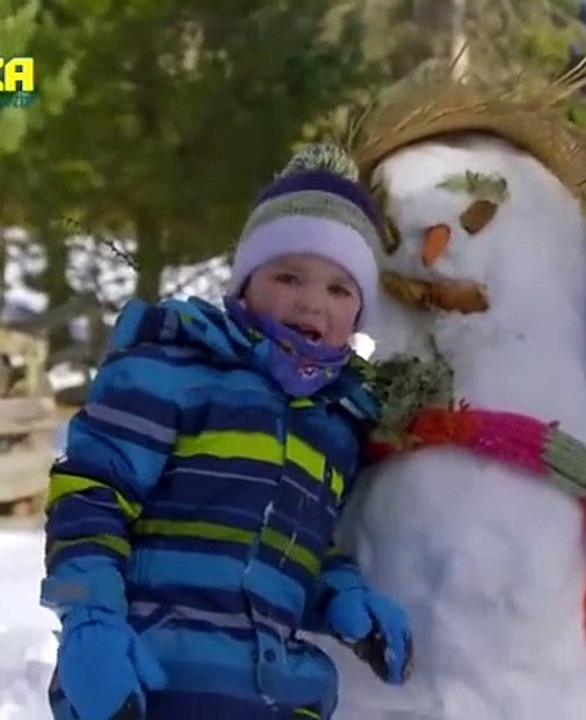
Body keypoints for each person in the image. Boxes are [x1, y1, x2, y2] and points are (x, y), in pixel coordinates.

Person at [40, 144, 414, 720]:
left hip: (274, 698)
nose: (313, 302)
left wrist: (341, 594)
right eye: (289, 276)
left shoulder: (335, 423)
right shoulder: (171, 370)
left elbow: (289, 549)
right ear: (244, 284)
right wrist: (90, 619)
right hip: (151, 687)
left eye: (340, 289)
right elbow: (92, 494)